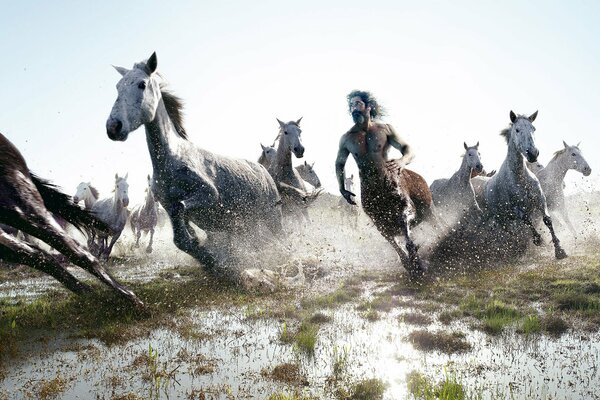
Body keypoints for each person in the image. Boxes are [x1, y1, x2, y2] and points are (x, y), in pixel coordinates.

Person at [335, 90, 427, 276]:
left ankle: (409, 242)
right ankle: (401, 252)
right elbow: (339, 163)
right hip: (368, 190)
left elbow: (408, 149)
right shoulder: (347, 138)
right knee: (380, 224)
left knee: (404, 210)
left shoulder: (385, 130)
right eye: (351, 106)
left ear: (369, 107)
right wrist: (341, 187)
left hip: (390, 181)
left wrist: (402, 161)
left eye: (358, 104)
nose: (354, 108)